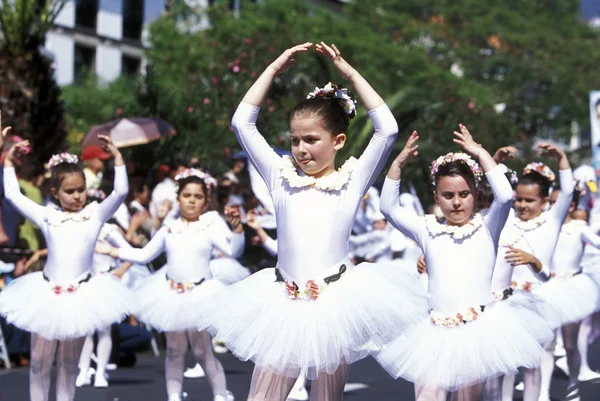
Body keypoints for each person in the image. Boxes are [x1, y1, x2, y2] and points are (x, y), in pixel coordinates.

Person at [196, 42, 428, 401]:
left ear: (338, 140)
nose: (301, 149)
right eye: (294, 140)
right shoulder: (280, 175)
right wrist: (273, 68)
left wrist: (349, 73)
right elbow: (242, 121)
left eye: (311, 140)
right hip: (282, 300)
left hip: (334, 302)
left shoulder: (352, 180)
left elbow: (387, 129)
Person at [373, 128, 552, 401]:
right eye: (448, 195)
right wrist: (397, 165)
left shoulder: (488, 227)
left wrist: (480, 152)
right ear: (436, 198)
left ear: (475, 193)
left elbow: (504, 197)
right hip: (433, 333)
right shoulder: (426, 229)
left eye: (464, 194)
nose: (457, 202)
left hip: (476, 331)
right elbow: (389, 208)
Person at [0, 126, 132, 401]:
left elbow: (120, 193)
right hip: (47, 294)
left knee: (70, 363)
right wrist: (9, 162)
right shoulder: (47, 216)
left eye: (81, 190)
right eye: (69, 191)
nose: (77, 196)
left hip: (81, 295)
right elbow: (13, 196)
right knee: (39, 362)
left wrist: (118, 159)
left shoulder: (95, 214)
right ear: (55, 191)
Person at [97, 168, 243, 401]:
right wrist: (113, 250)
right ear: (178, 198)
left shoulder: (210, 224)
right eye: (187, 195)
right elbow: (144, 254)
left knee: (202, 350)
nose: (192, 201)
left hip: (201, 294)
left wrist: (237, 230)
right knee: (174, 350)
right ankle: (173, 396)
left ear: (205, 201)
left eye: (198, 196)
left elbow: (234, 250)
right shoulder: (169, 229)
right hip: (172, 294)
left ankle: (220, 394)